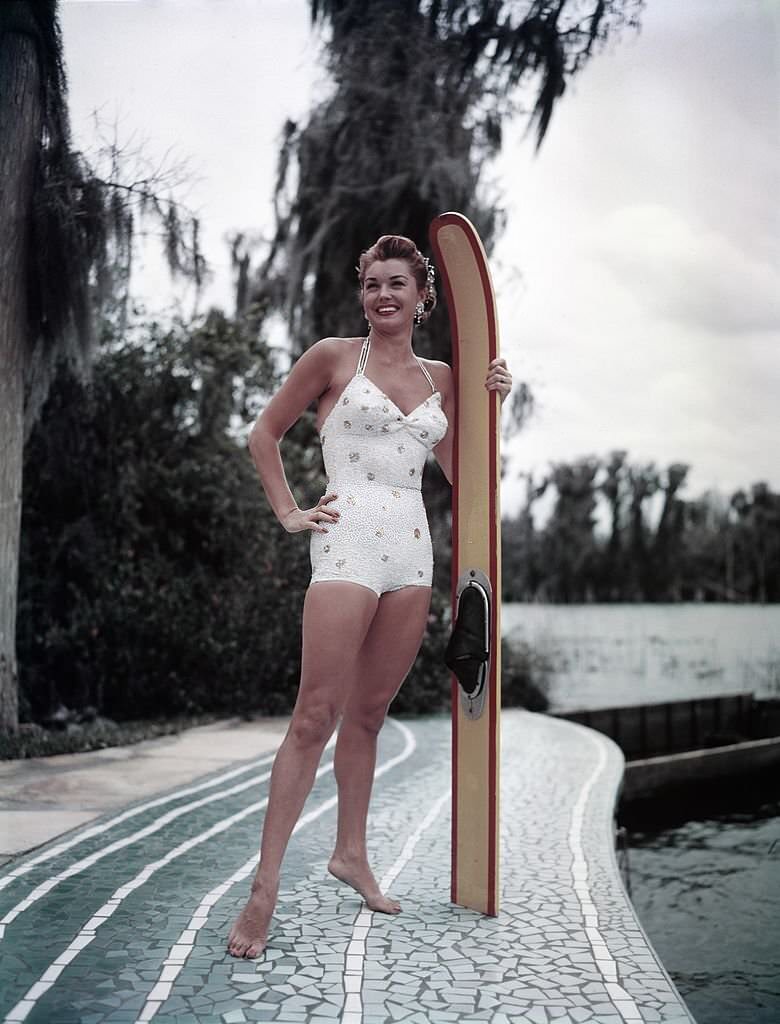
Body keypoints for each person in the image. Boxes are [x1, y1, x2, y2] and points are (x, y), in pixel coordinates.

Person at [227, 234, 512, 959]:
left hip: (412, 552)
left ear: (423, 298)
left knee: (369, 716)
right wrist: (291, 513)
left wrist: (493, 406)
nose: (383, 295)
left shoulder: (444, 375)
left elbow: (463, 474)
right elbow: (264, 433)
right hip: (347, 537)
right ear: (364, 293)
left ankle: (349, 853)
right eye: (372, 284)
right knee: (313, 715)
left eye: (398, 285)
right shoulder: (331, 357)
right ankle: (265, 888)